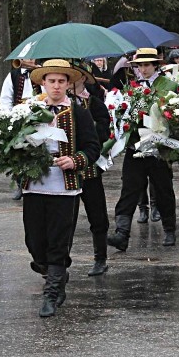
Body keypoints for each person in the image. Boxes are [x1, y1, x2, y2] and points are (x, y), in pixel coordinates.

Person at [23, 60, 100, 317]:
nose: (56, 86)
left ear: (68, 84)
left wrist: (74, 160)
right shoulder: (28, 109)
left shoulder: (78, 112)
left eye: (61, 81)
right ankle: (54, 273)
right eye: (51, 81)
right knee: (35, 242)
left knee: (58, 239)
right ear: (42, 83)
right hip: (34, 184)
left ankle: (52, 292)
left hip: (64, 187)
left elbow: (92, 147)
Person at [107, 48, 179, 251]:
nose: (143, 69)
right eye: (140, 65)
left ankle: (169, 229)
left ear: (156, 65)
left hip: (158, 146)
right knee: (129, 188)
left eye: (147, 65)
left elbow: (171, 113)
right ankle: (122, 233)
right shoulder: (133, 87)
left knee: (163, 188)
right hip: (135, 145)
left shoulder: (168, 84)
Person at [67, 60, 111, 276]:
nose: (70, 80)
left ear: (83, 78)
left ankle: (100, 257)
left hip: (90, 168)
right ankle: (60, 259)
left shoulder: (94, 103)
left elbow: (104, 131)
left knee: (97, 213)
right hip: (66, 170)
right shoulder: (60, 106)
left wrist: (88, 125)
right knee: (66, 216)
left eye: (75, 76)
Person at [0, 58, 40, 200]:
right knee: (18, 153)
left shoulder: (40, 73)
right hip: (18, 119)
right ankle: (20, 184)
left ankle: (35, 183)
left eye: (32, 56)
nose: (29, 59)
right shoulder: (13, 75)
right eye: (26, 57)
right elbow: (5, 99)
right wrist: (9, 120)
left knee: (37, 151)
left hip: (38, 118)